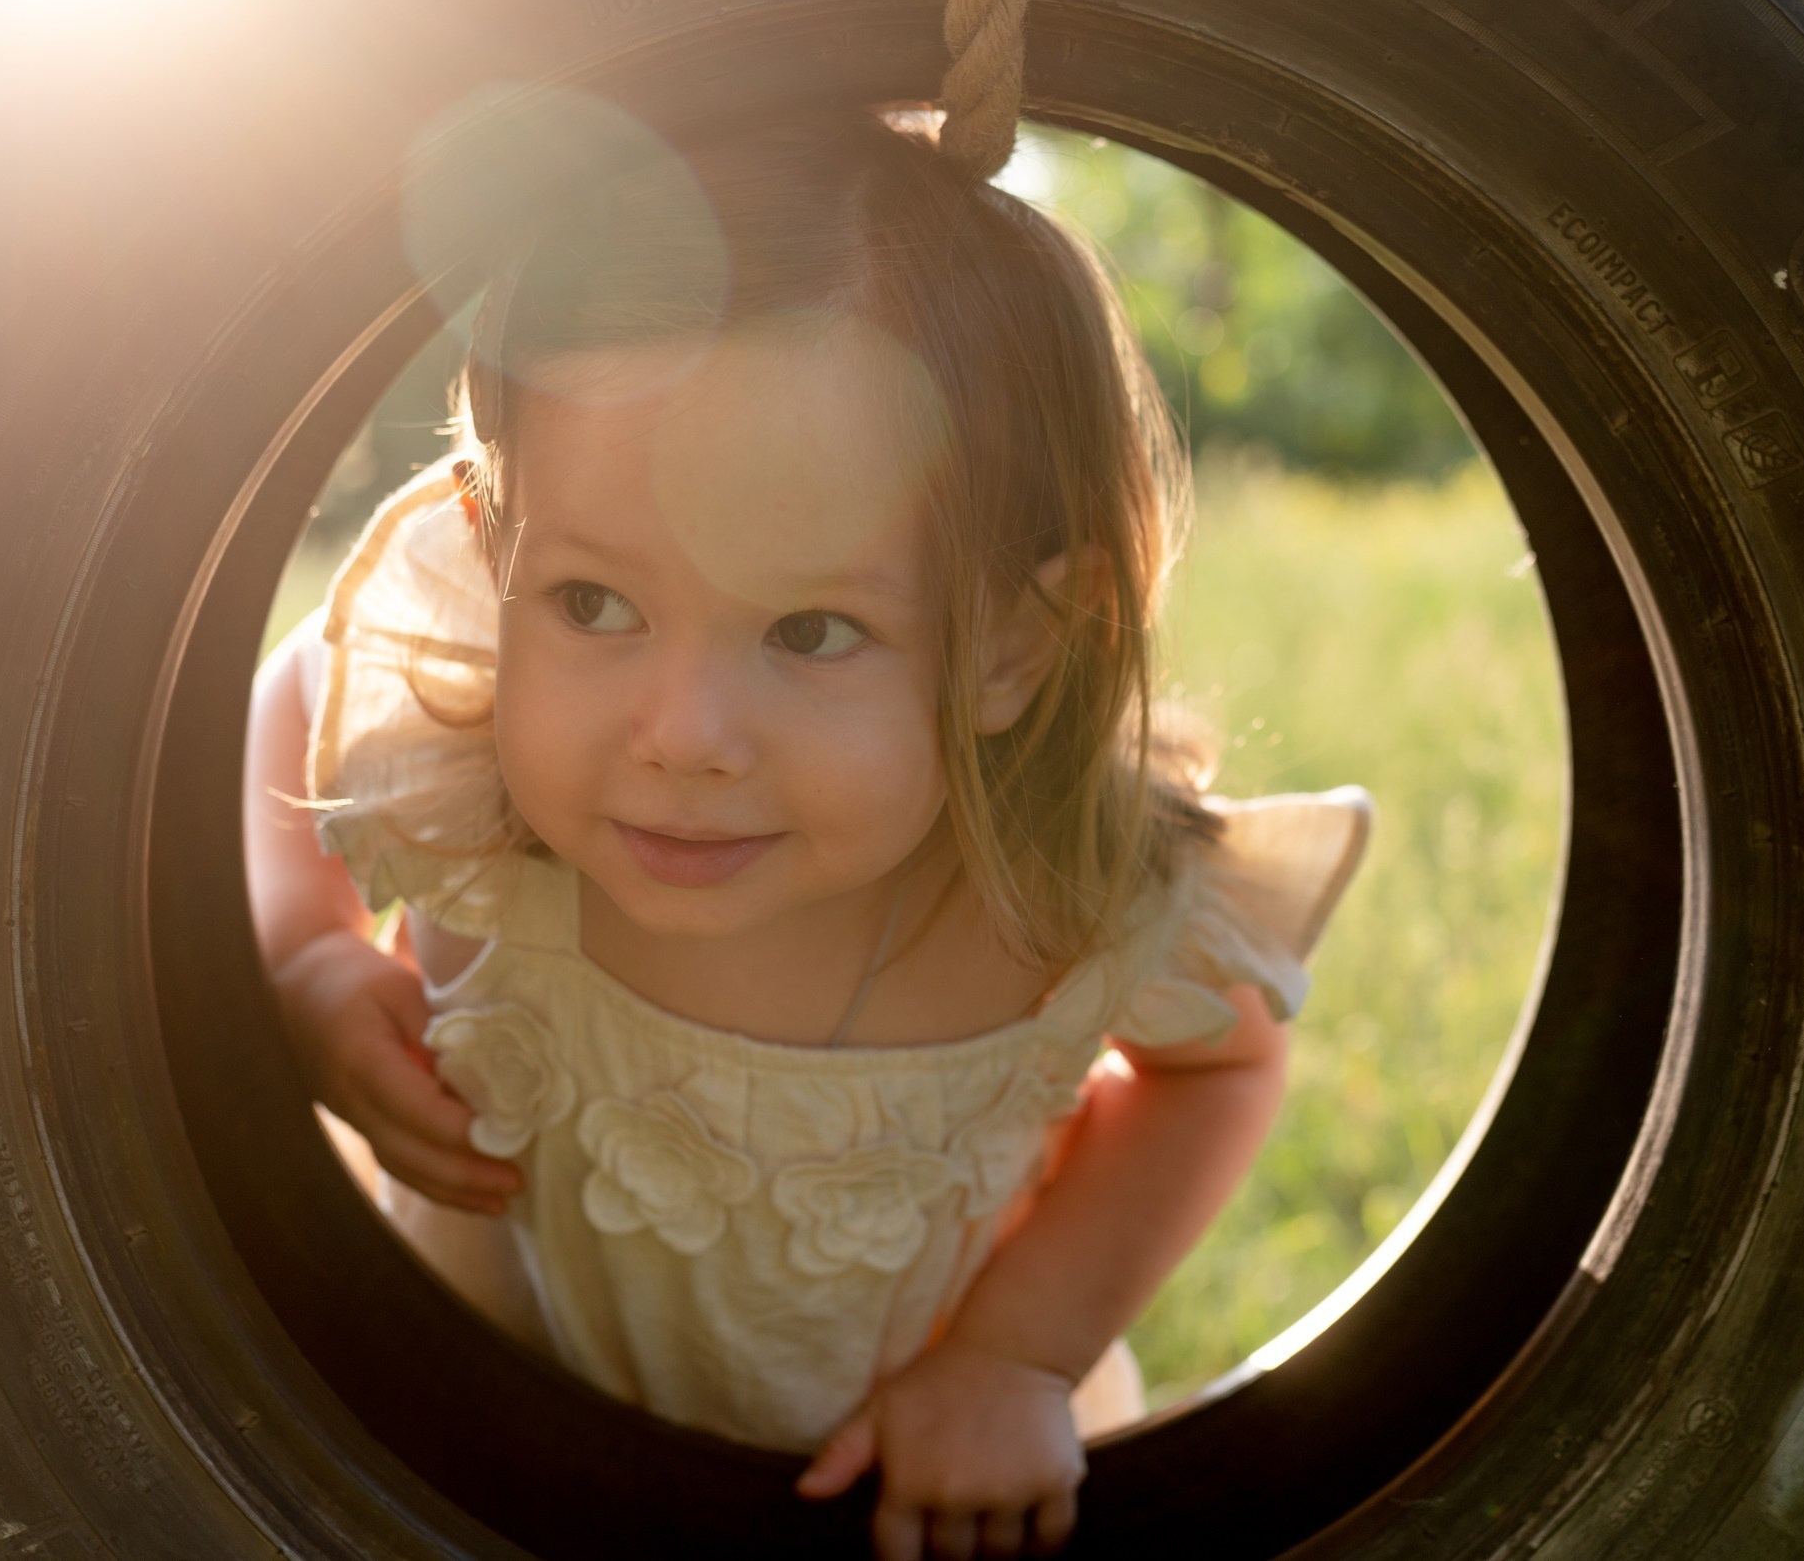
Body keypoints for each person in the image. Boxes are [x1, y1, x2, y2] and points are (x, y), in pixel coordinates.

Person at [244, 111, 1370, 1561]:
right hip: (476, 1468)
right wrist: (311, 954)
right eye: (593, 603)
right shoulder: (484, 778)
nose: (682, 731)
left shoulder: (1047, 908)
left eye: (811, 630)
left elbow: (1214, 1071)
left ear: (1020, 643)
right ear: (496, 546)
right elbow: (301, 688)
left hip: (896, 1496)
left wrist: (1019, 1355)